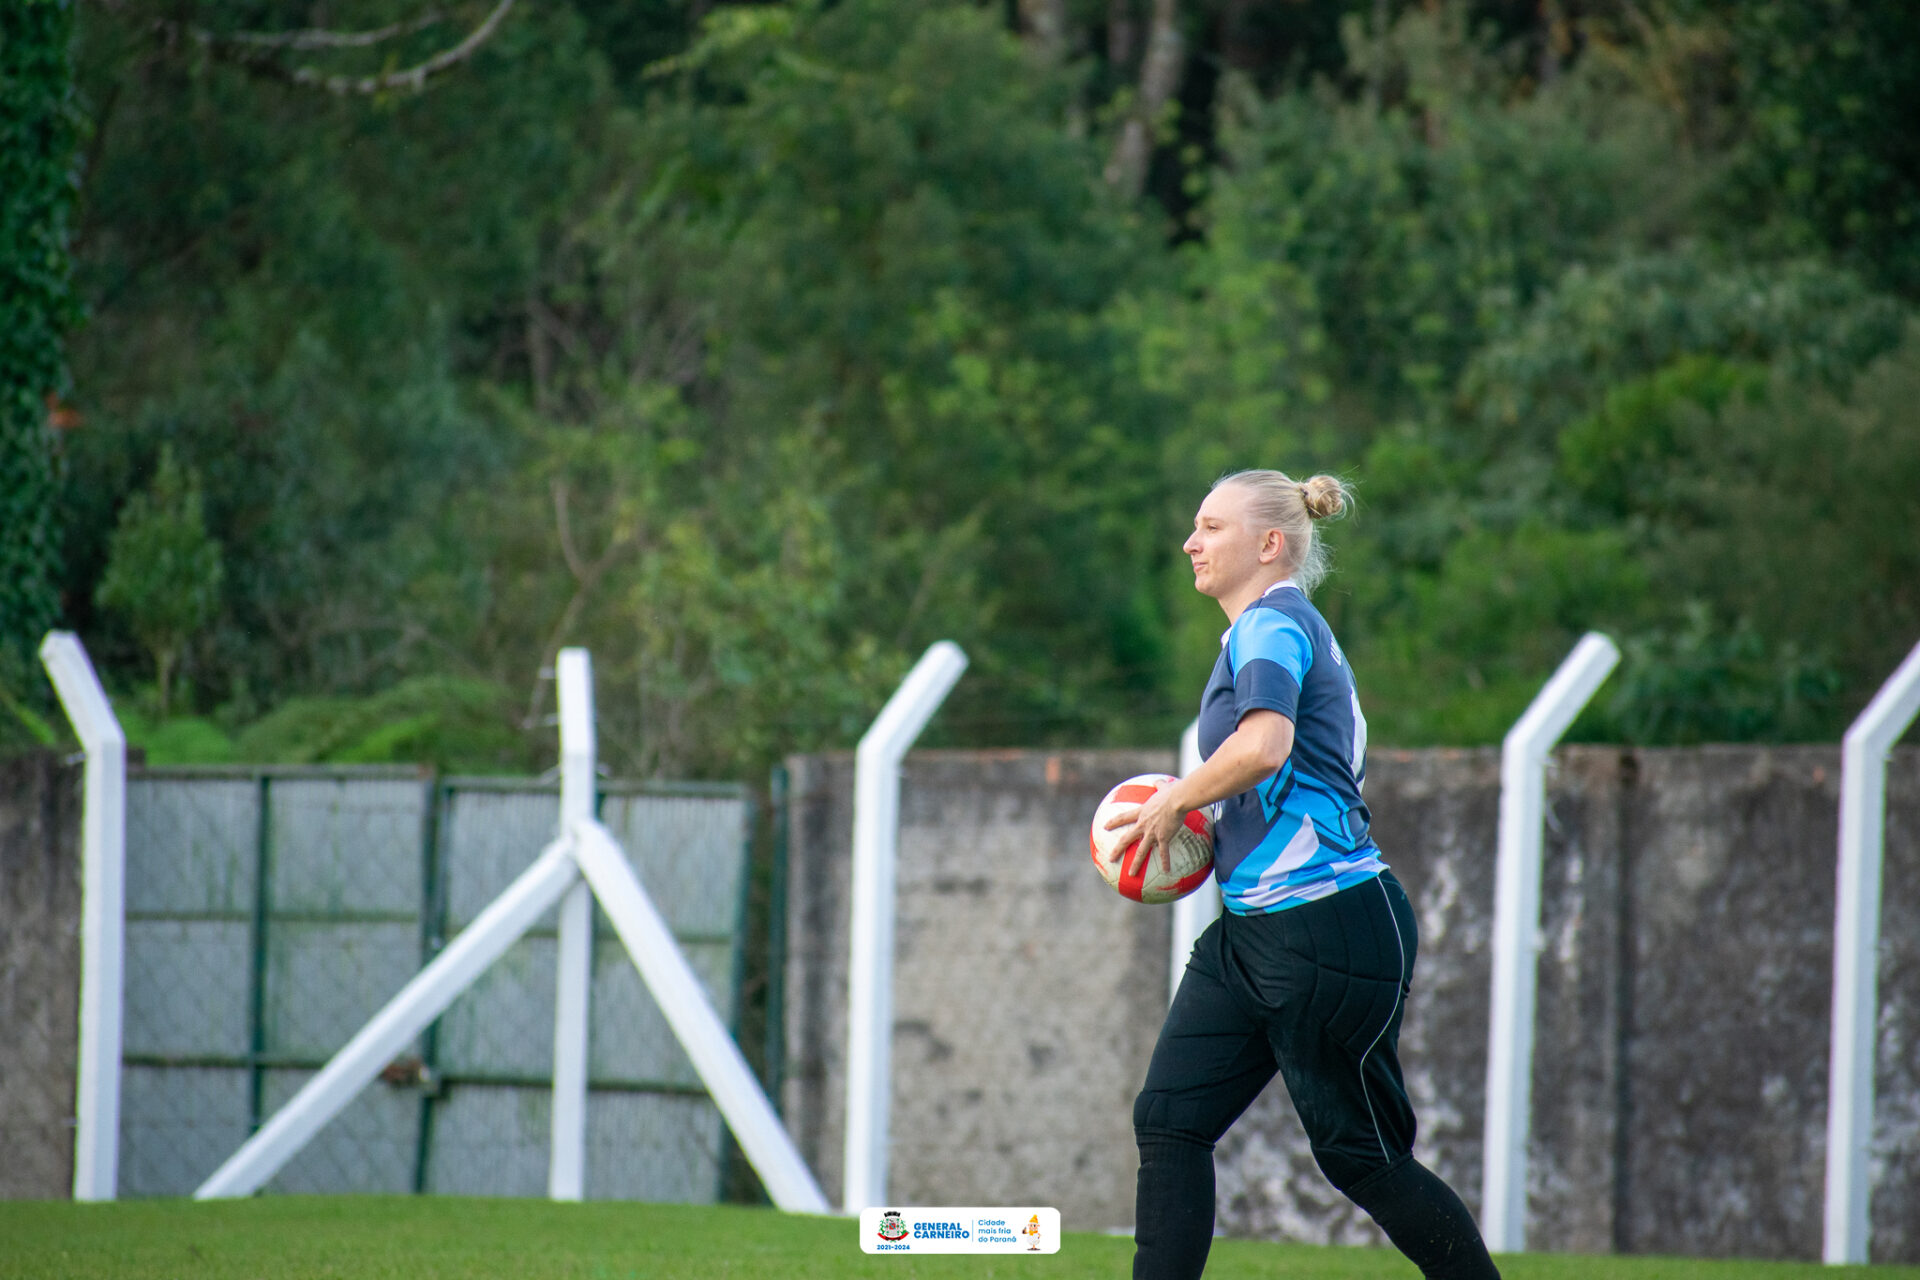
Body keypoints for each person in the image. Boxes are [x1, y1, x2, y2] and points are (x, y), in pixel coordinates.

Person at [1101, 470, 1500, 1280]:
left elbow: (1266, 746)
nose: (1191, 543)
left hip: (1328, 924)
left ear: (1270, 544)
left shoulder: (1273, 624)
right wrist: (1211, 816)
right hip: (1255, 931)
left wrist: (1176, 802)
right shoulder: (1265, 628)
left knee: (1364, 1156)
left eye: (1211, 527)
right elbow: (1275, 773)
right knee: (1171, 1119)